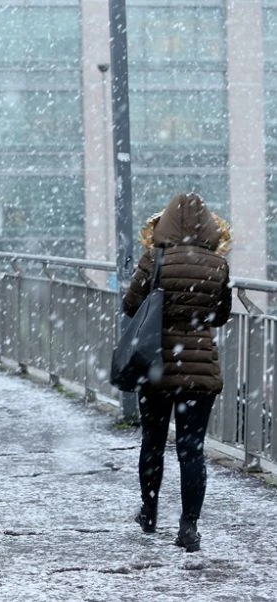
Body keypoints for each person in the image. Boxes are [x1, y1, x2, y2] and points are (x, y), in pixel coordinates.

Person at [121, 192, 232, 553]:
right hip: (199, 370)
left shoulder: (155, 258)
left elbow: (130, 305)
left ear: (164, 222)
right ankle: (189, 528)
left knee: (153, 442)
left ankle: (149, 513)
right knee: (191, 449)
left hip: (155, 365)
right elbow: (220, 315)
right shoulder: (217, 265)